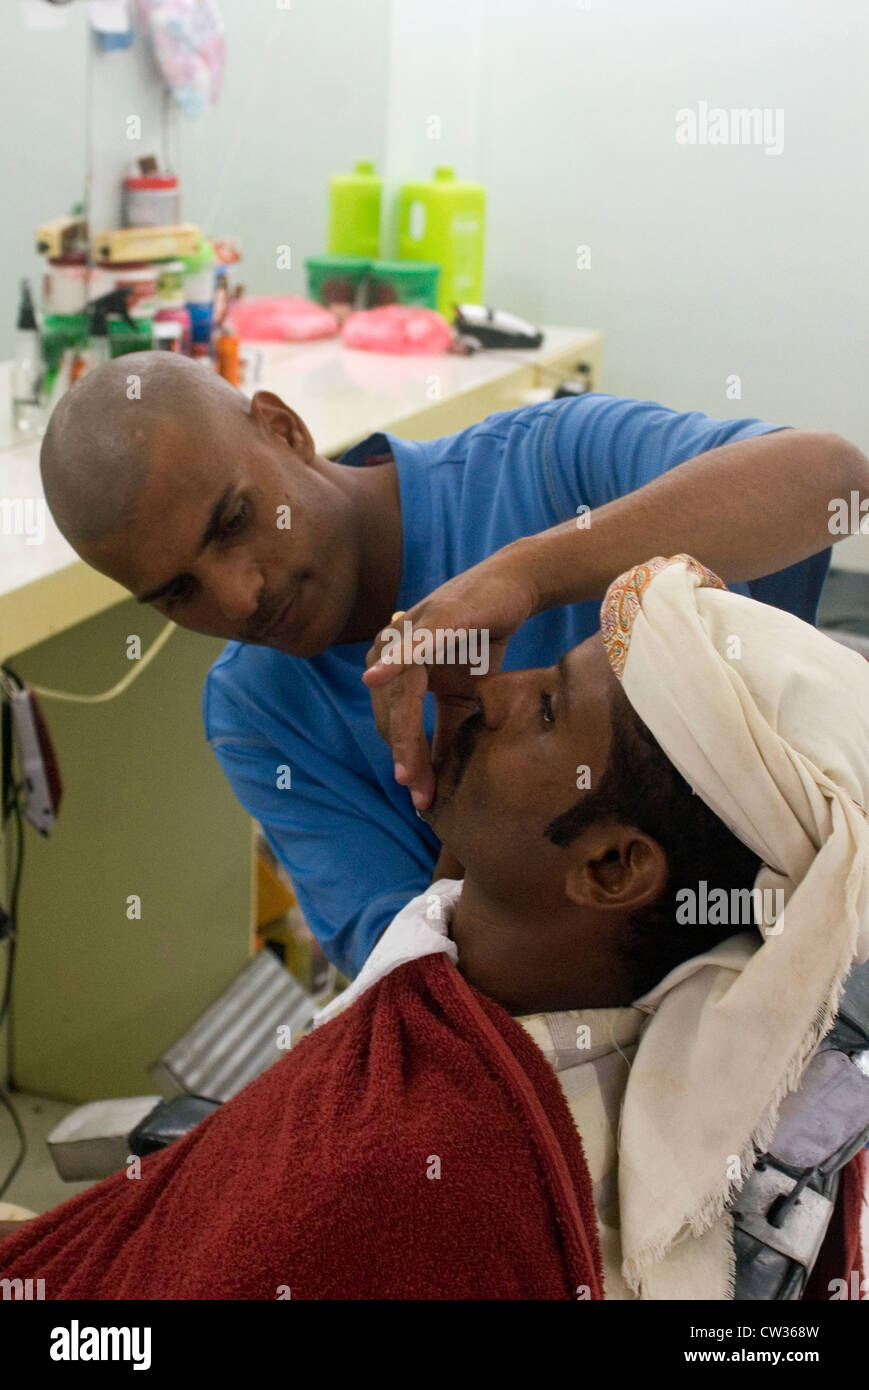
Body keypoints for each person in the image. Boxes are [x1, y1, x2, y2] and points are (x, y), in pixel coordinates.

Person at [2, 557, 866, 1299]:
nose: (489, 691)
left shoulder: (418, 1181)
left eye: (546, 712)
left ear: (610, 869)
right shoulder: (500, 992)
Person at [38, 353, 868, 977]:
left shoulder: (546, 464)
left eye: (234, 521)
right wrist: (471, 808)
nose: (240, 596)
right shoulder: (260, 713)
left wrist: (528, 574)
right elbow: (419, 982)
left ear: (285, 429)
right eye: (178, 593)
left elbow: (835, 481)